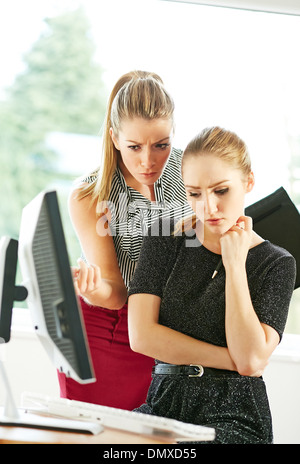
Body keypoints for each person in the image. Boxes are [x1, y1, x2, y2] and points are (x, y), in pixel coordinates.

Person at [128, 126, 296, 444]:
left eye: (221, 190)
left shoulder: (276, 263)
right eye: (195, 193)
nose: (208, 207)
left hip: (234, 414)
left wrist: (235, 265)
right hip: (163, 404)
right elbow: (142, 336)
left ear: (248, 182)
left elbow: (249, 358)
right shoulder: (164, 239)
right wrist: (229, 360)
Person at [58, 70, 192, 410]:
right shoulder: (90, 194)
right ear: (114, 137)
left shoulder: (193, 173)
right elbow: (116, 293)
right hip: (105, 330)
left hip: (165, 333)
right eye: (134, 147)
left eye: (161, 145)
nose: (148, 161)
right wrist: (92, 289)